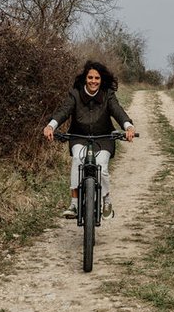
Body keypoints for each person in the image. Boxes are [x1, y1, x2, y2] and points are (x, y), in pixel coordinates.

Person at [43, 60, 135, 219]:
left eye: (97, 78)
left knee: (102, 165)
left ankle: (106, 199)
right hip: (79, 137)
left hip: (103, 137)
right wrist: (51, 126)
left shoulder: (108, 94)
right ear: (85, 78)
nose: (93, 81)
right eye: (90, 77)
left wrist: (128, 126)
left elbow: (117, 111)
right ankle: (74, 204)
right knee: (78, 161)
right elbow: (64, 111)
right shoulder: (75, 94)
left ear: (101, 80)